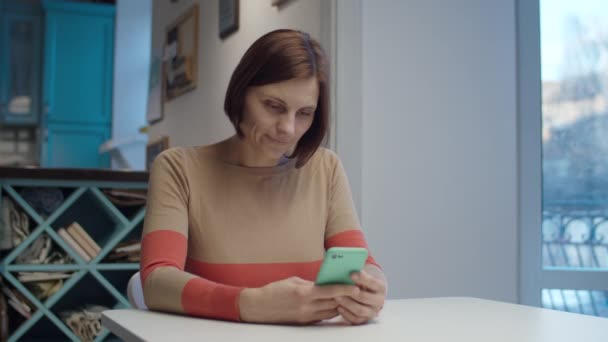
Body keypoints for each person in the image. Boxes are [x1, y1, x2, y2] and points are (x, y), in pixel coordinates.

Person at [140, 29, 387, 325]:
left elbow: (361, 263)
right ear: (241, 94)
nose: (288, 128)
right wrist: (248, 304)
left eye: (305, 113)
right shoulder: (179, 169)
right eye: (273, 106)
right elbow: (156, 281)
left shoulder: (325, 168)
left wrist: (371, 288)